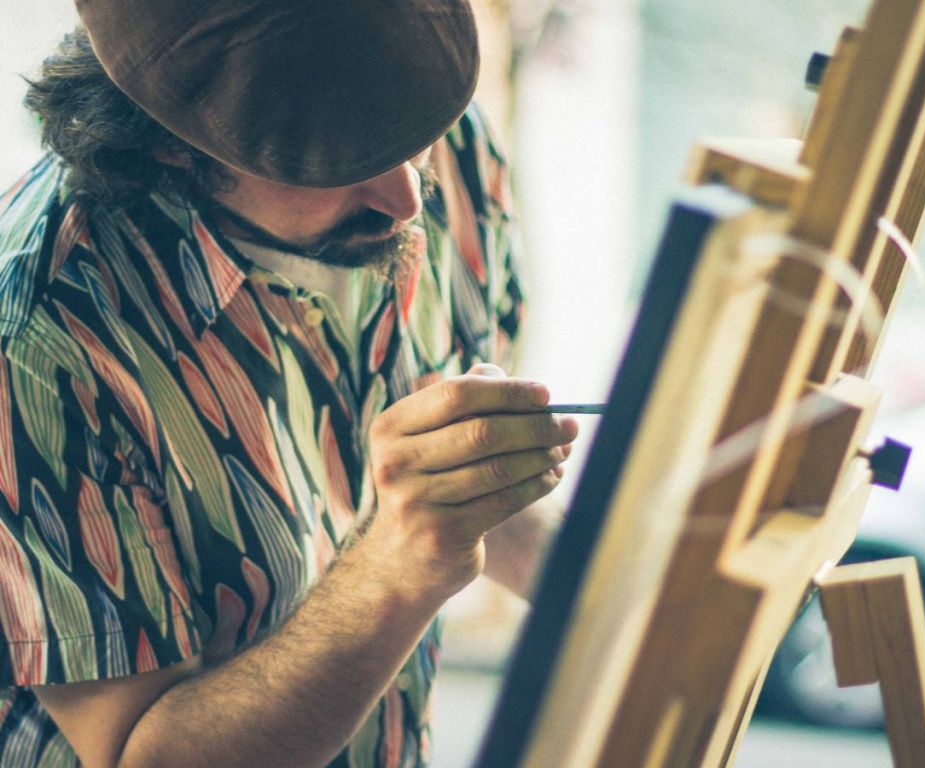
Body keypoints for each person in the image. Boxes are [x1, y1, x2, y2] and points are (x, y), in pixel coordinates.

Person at [0, 2, 578, 766]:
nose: (409, 199)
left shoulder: (446, 146)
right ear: (171, 147)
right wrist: (397, 567)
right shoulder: (41, 341)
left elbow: (471, 506)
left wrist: (665, 592)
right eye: (336, 161)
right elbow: (146, 757)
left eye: (411, 140)